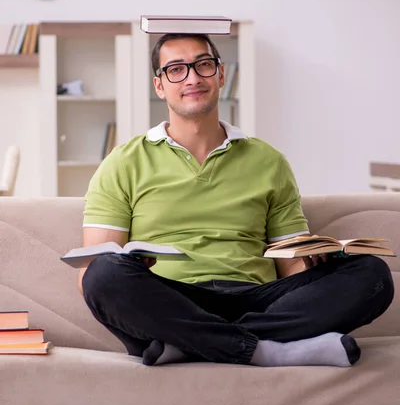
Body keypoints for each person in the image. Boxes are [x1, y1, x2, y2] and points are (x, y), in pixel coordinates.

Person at [79, 32, 394, 368]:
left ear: (221, 74)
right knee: (102, 274)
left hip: (256, 299)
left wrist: (315, 260)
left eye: (203, 65)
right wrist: (133, 267)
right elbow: (95, 263)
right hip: (172, 298)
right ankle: (265, 349)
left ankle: (188, 346)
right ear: (159, 85)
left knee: (371, 274)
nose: (193, 78)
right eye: (176, 70)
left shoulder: (268, 160)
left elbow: (289, 263)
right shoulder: (123, 161)